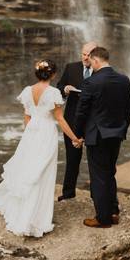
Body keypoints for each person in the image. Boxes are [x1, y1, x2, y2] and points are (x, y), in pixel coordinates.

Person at [0, 59, 84, 237]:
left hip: (31, 133)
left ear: (37, 74)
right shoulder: (53, 92)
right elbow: (60, 119)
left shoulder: (27, 91)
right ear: (53, 75)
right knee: (43, 173)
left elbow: (27, 117)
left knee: (29, 170)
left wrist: (29, 135)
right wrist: (75, 138)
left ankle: (26, 214)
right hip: (46, 133)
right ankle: (37, 219)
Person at [73, 46, 130, 228]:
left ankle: (103, 218)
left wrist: (78, 135)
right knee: (109, 172)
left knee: (99, 176)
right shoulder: (123, 80)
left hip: (97, 135)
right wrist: (122, 127)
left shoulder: (91, 82)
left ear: (96, 60)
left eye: (90, 62)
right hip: (116, 134)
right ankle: (114, 212)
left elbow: (81, 112)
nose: (90, 65)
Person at [54, 40, 98, 201]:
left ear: (96, 55)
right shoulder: (71, 67)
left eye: (89, 55)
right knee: (72, 159)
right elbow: (59, 87)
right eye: (83, 54)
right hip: (71, 120)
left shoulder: (100, 70)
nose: (85, 58)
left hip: (93, 122)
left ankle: (96, 194)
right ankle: (68, 192)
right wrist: (65, 90)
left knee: (95, 160)